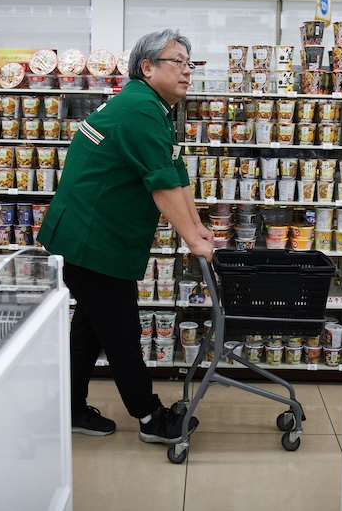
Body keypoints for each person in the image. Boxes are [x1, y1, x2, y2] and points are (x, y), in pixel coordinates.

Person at [37, 29, 214, 444]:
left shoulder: (151, 106)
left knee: (90, 328)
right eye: (178, 61)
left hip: (94, 238)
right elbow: (161, 185)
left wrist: (198, 225)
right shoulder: (139, 109)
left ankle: (71, 409)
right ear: (147, 67)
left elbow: (175, 174)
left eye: (190, 63)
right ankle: (151, 419)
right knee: (119, 330)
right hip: (91, 241)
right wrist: (193, 239)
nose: (187, 70)